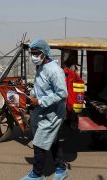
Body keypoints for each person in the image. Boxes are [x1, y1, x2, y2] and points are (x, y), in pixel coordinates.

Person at [21, 39, 68, 180]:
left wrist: (40, 101)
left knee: (39, 142)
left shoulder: (54, 70)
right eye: (32, 53)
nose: (33, 56)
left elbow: (62, 94)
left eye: (36, 53)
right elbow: (41, 87)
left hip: (53, 112)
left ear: (45, 53)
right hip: (42, 109)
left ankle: (37, 174)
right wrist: (31, 96)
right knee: (52, 139)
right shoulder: (41, 67)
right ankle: (61, 168)